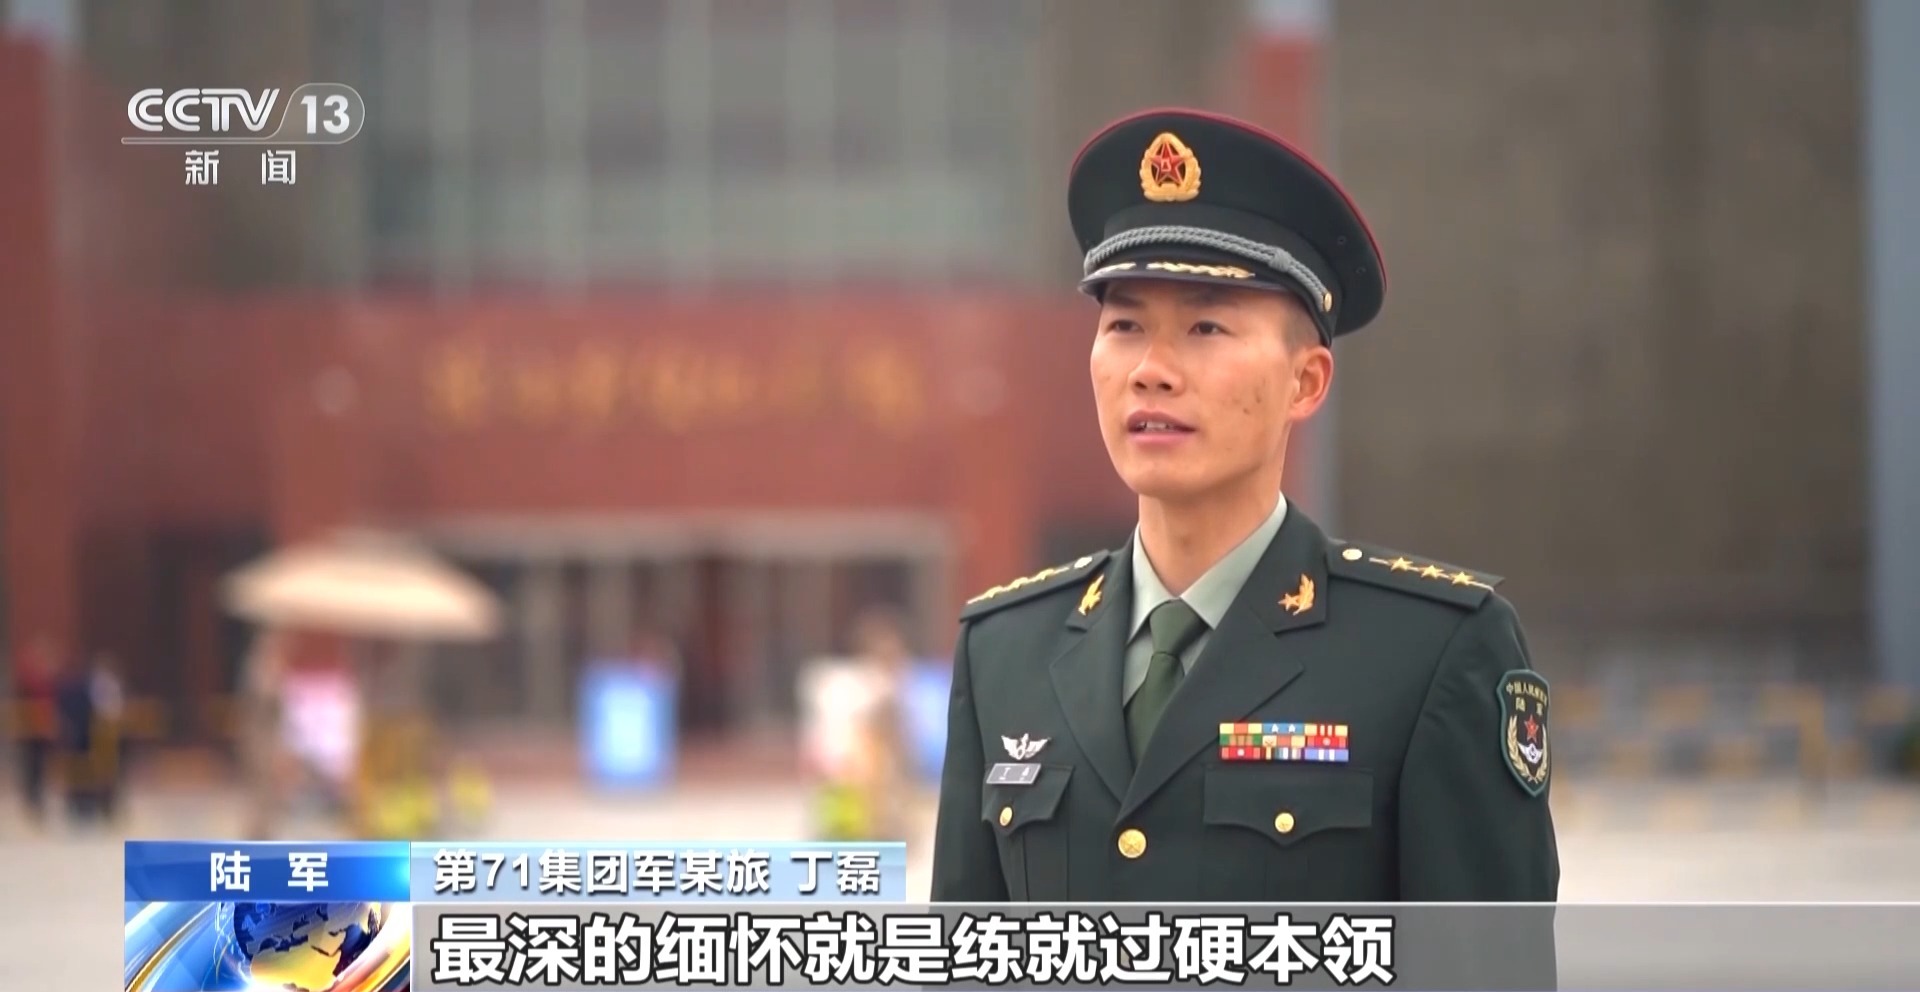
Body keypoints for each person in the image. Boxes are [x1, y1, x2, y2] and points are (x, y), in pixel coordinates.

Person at [931, 110, 1560, 913]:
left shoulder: (1430, 653)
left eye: (1205, 326)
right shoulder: (1004, 652)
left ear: (1306, 382)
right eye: (1124, 325)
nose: (1151, 370)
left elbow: (1486, 963)